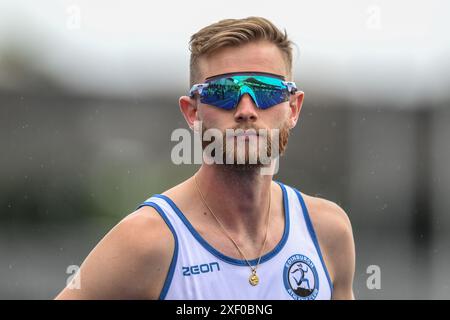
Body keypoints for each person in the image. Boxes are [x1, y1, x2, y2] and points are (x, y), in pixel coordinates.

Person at [56, 16, 355, 300]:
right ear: (192, 112)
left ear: (293, 108)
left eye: (266, 91)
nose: (246, 109)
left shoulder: (328, 232)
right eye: (223, 92)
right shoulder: (146, 241)